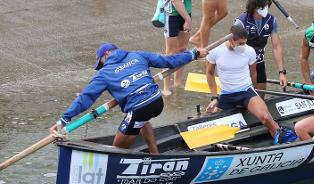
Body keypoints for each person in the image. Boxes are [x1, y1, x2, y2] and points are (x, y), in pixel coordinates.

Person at [50, 43, 207, 153]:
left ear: (106, 54)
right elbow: (168, 61)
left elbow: (86, 98)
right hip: (157, 101)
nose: (101, 67)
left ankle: (116, 164)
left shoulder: (104, 74)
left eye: (101, 63)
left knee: (116, 148)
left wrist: (63, 120)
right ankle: (155, 155)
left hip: (139, 107)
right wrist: (193, 54)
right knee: (142, 121)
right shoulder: (137, 55)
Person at [205, 25, 296, 144]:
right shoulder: (215, 52)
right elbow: (209, 74)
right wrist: (214, 97)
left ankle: (282, 141)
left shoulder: (249, 51)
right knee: (209, 121)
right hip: (226, 94)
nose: (244, 46)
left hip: (246, 92)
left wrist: (255, 96)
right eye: (241, 43)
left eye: (245, 43)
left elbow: (253, 74)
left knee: (266, 118)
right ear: (231, 40)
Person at [160, 0, 198, 95]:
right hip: (172, 14)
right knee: (171, 52)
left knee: (183, 50)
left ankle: (177, 83)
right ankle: (166, 87)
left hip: (186, 11)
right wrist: (187, 19)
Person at [234, 0, 287, 94]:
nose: (265, 9)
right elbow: (233, 48)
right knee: (246, 98)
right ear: (254, 6)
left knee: (261, 96)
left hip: (259, 63)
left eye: (267, 6)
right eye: (262, 7)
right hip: (243, 65)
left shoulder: (272, 21)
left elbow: (276, 47)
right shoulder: (240, 22)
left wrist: (282, 72)